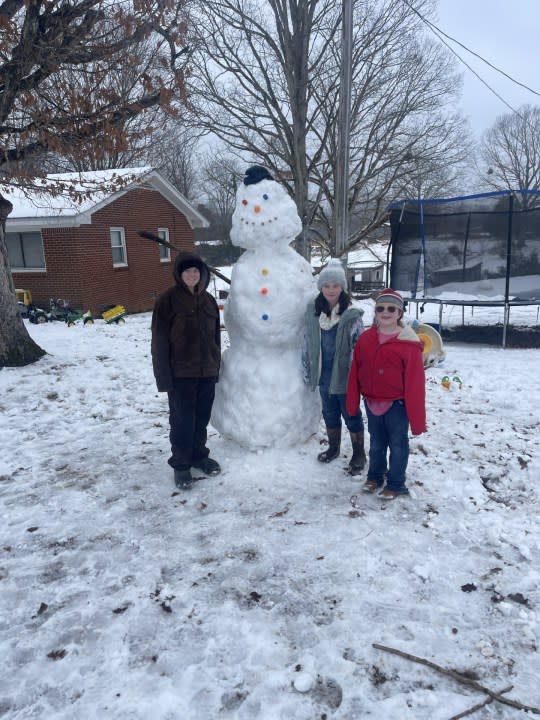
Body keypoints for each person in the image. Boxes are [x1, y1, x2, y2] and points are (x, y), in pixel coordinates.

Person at [346, 288, 426, 499]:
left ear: (399, 312)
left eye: (392, 308)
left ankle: (396, 483)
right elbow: (355, 371)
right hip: (372, 402)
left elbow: (415, 383)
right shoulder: (366, 339)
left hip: (397, 405)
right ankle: (375, 476)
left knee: (398, 444)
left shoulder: (408, 343)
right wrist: (353, 401)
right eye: (381, 308)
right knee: (377, 443)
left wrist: (417, 420)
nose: (386, 312)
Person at [151, 251, 222, 490]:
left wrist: (216, 367)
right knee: (182, 421)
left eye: (196, 271)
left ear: (202, 274)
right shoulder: (167, 301)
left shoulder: (209, 301)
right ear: (179, 274)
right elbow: (159, 342)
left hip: (206, 372)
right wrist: (163, 378)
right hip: (180, 374)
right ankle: (181, 465)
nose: (192, 275)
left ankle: (199, 456)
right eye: (187, 271)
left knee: (201, 419)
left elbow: (216, 338)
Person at [303, 258, 366, 475]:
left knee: (351, 414)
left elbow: (361, 348)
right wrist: (307, 368)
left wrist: (360, 376)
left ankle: (359, 453)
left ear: (342, 288)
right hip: (323, 374)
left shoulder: (351, 316)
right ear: (321, 287)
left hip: (345, 375)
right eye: (327, 285)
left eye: (335, 285)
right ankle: (334, 448)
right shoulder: (313, 312)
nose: (331, 290)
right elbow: (307, 342)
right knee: (329, 413)